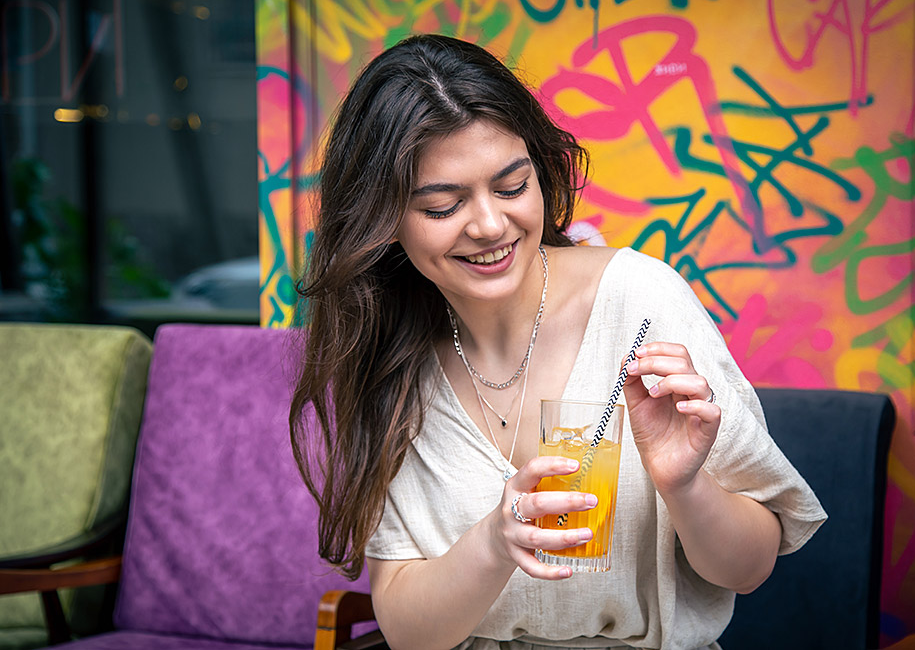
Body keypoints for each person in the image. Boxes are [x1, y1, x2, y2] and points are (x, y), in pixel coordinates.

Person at [290, 34, 826, 650]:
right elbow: (409, 633)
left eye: (512, 187)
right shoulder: (393, 356)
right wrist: (494, 542)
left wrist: (686, 486)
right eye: (443, 206)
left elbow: (749, 569)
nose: (491, 225)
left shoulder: (642, 306)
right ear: (381, 219)